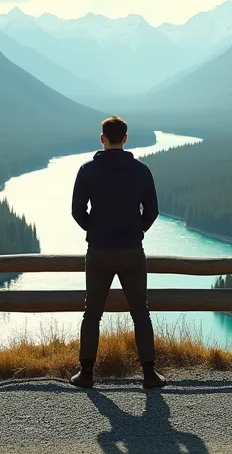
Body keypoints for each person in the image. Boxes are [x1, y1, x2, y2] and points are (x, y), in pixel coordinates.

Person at [69, 115, 167, 389]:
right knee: (140, 312)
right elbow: (153, 211)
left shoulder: (87, 170)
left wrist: (95, 230)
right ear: (125, 139)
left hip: (99, 251)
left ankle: (86, 373)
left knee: (92, 313)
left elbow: (77, 211)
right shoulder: (141, 170)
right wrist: (138, 231)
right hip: (132, 252)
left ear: (102, 138)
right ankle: (149, 374)